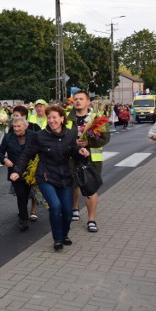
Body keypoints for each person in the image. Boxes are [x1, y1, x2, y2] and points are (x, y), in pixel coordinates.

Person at [10, 105, 90, 251]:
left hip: (65, 176)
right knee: (55, 206)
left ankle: (64, 234)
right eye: (49, 118)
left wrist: (82, 152)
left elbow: (74, 151)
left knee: (67, 211)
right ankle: (57, 239)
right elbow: (27, 154)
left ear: (61, 118)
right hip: (46, 176)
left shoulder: (69, 134)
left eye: (55, 117)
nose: (52, 120)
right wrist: (18, 171)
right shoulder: (40, 136)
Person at [68, 90, 110, 233]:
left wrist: (88, 142)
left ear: (87, 102)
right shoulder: (67, 118)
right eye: (75, 99)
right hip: (72, 157)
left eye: (81, 99)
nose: (78, 101)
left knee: (90, 188)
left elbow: (105, 138)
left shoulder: (97, 118)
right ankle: (75, 208)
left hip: (92, 157)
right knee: (73, 185)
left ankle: (91, 219)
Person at [0, 117, 35, 231]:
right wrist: (4, 159)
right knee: (21, 195)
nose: (16, 129)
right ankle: (23, 219)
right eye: (14, 126)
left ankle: (29, 212)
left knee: (29, 194)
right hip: (15, 171)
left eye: (19, 126)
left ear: (25, 126)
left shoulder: (33, 135)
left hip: (30, 171)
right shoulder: (8, 137)